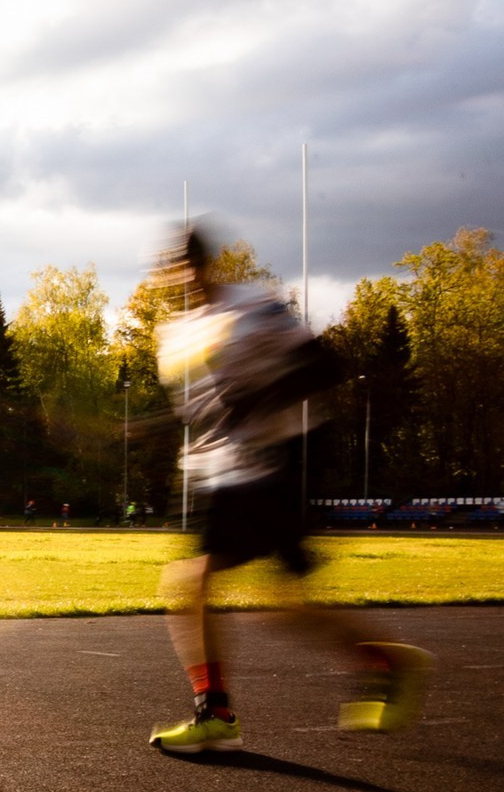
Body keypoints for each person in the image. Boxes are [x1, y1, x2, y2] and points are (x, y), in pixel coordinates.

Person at [147, 223, 432, 753]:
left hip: (276, 465)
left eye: (186, 264)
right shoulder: (177, 332)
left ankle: (217, 714)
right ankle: (385, 660)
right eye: (169, 267)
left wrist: (256, 399)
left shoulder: (253, 308)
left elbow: (325, 365)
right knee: (281, 607)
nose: (178, 276)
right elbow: (207, 406)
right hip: (228, 473)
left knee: (192, 585)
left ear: (205, 265)